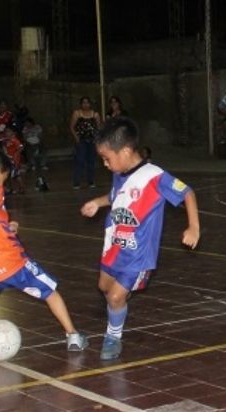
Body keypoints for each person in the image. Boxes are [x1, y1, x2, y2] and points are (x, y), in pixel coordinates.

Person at [0, 150, 88, 354]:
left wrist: (5, 228)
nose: (2, 185)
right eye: (3, 179)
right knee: (49, 291)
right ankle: (73, 336)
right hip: (9, 260)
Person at [80, 117, 200, 360]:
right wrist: (98, 203)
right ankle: (123, 296)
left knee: (115, 296)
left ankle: (113, 337)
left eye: (107, 158)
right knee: (104, 287)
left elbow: (187, 193)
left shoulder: (154, 176)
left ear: (125, 151)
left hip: (139, 254)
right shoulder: (120, 171)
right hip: (114, 244)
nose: (105, 164)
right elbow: (117, 196)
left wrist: (193, 227)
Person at [69, 96, 102, 189]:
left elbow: (99, 127)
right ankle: (76, 182)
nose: (85, 104)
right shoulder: (77, 113)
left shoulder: (95, 114)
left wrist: (97, 139)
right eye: (84, 102)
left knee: (91, 161)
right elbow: (72, 126)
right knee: (80, 161)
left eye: (87, 102)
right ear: (81, 104)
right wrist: (77, 138)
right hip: (81, 140)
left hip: (92, 140)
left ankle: (91, 181)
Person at [2, 125, 25, 194]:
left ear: (13, 133)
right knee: (15, 175)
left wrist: (16, 154)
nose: (6, 133)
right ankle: (20, 188)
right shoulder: (6, 140)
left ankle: (14, 189)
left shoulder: (14, 140)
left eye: (8, 131)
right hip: (9, 160)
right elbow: (5, 148)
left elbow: (21, 147)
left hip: (14, 161)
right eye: (6, 131)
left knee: (13, 175)